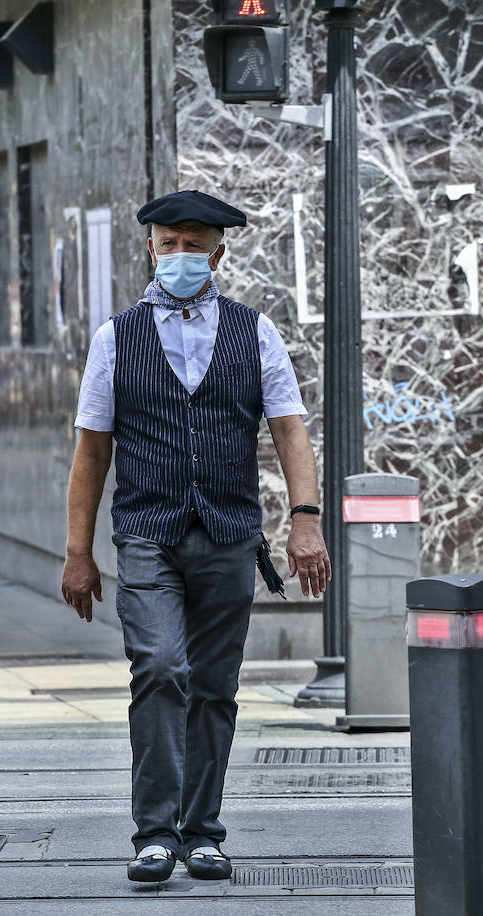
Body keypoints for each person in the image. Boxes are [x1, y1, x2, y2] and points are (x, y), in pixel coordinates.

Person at [60, 190, 332, 884]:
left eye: (194, 244)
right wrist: (77, 552)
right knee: (158, 666)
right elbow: (92, 451)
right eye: (168, 243)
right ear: (150, 248)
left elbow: (290, 429)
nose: (180, 255)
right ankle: (154, 832)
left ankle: (202, 831)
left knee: (212, 685)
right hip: (148, 534)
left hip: (229, 535)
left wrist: (306, 519)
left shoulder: (254, 331)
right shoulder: (116, 336)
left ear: (219, 252)